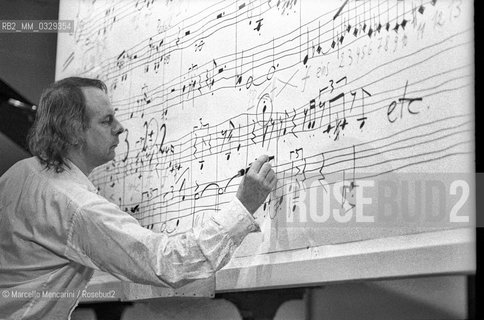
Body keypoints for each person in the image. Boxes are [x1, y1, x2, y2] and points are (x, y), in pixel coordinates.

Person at [0, 77, 277, 319]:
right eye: (107, 120)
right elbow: (167, 264)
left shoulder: (18, 174)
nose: (120, 128)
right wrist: (243, 206)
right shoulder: (75, 205)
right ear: (73, 131)